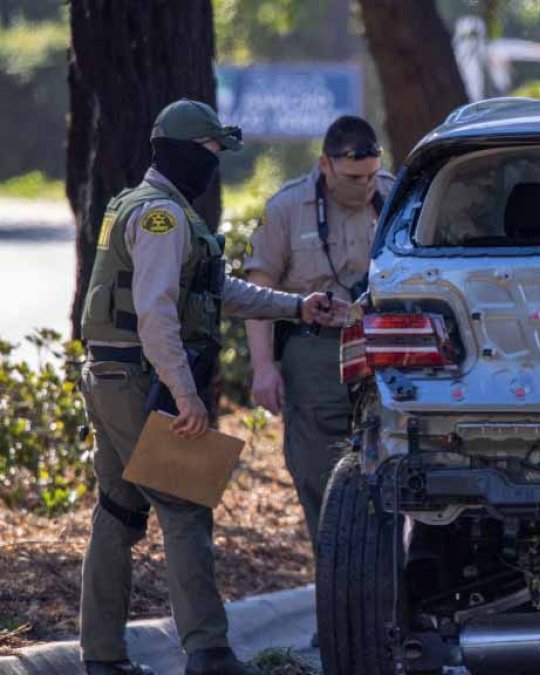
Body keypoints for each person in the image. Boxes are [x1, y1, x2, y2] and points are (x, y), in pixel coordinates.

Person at [78, 99, 347, 675]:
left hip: (111, 377)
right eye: (209, 153)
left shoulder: (142, 204)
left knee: (118, 512)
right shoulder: (162, 218)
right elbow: (156, 314)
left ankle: (101, 656)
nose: (214, 165)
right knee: (185, 506)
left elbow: (217, 290)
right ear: (179, 150)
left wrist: (299, 307)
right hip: (138, 380)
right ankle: (209, 652)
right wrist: (185, 395)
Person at [244, 116, 395, 555]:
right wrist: (263, 368)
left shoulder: (395, 196)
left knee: (389, 469)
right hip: (314, 350)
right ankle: (335, 593)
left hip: (381, 349)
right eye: (352, 178)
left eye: (369, 176)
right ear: (325, 165)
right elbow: (258, 295)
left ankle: (387, 590)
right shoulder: (286, 208)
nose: (364, 187)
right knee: (317, 473)